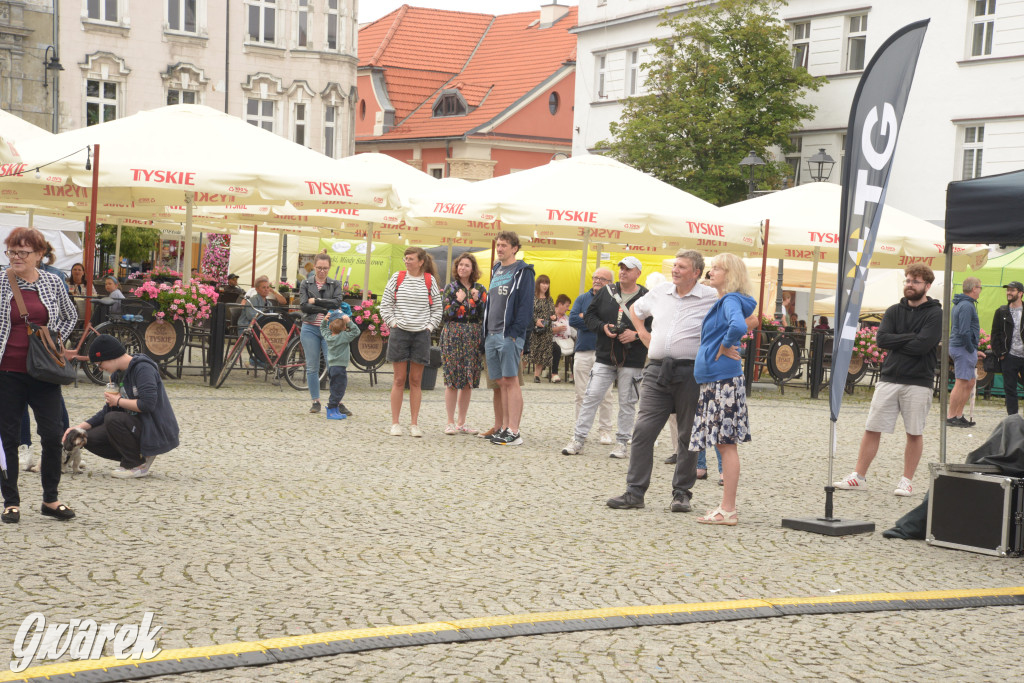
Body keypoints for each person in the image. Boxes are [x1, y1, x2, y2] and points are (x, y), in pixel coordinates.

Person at [606, 249, 719, 513]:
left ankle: (682, 493)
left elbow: (746, 315)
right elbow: (636, 309)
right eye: (675, 265)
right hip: (657, 370)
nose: (675, 270)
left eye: (682, 267)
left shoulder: (711, 297)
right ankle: (634, 492)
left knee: (687, 434)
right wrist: (643, 333)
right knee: (644, 430)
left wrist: (722, 345)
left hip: (691, 372)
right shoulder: (660, 291)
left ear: (696, 273)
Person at [834, 264, 942, 497]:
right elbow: (882, 339)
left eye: (915, 281)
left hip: (918, 380)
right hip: (889, 377)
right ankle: (858, 476)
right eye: (907, 280)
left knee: (914, 432)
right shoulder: (893, 311)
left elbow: (924, 345)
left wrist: (901, 340)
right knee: (872, 427)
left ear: (927, 285)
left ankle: (906, 481)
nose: (910, 284)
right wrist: (911, 337)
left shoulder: (935, 313)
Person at [0, 227, 78, 523]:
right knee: (8, 436)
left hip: (44, 371)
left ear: (40, 255)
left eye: (23, 252)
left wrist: (55, 341)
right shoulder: (1, 281)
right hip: (7, 370)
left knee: (52, 433)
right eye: (12, 251)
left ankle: (50, 499)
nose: (16, 257)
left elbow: (70, 315)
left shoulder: (52, 281)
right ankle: (11, 501)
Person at [688, 253, 757, 525]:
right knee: (723, 442)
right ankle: (726, 507)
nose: (711, 271)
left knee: (726, 445)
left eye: (718, 268)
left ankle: (728, 509)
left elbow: (739, 325)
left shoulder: (729, 299)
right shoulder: (727, 299)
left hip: (722, 380)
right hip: (718, 378)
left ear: (731, 274)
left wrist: (726, 344)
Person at [562, 256, 650, 459]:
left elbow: (655, 326)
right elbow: (590, 316)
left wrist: (636, 335)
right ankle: (578, 438)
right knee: (591, 396)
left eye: (628, 269)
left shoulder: (646, 296)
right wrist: (603, 327)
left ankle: (621, 443)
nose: (622, 272)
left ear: (638, 272)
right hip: (604, 354)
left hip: (633, 357)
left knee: (627, 401)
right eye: (621, 268)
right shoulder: (606, 292)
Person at [71, 334, 179, 478]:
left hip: (154, 427)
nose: (100, 368)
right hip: (135, 425)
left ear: (110, 356)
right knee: (88, 438)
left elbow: (147, 404)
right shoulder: (117, 374)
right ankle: (134, 455)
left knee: (113, 419)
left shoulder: (143, 369)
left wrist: (118, 401)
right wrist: (79, 428)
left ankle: (136, 463)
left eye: (99, 364)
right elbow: (108, 410)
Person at [380, 246, 443, 437]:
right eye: (405, 258)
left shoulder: (429, 280)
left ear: (421, 261)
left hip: (421, 334)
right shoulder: (397, 278)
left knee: (416, 380)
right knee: (399, 380)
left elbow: (437, 308)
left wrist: (430, 327)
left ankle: (414, 423)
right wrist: (393, 323)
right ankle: (395, 423)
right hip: (400, 333)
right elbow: (385, 304)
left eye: (411, 259)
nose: (407, 261)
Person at [481, 231, 535, 446]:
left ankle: (514, 430)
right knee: (501, 382)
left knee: (512, 381)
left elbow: (525, 306)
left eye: (504, 245)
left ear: (515, 248)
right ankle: (503, 427)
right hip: (491, 334)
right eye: (498, 245)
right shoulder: (496, 269)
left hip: (509, 335)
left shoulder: (523, 271)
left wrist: (514, 334)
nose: (500, 248)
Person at [440, 253, 487, 435]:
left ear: (473, 269)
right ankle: (450, 422)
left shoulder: (480, 289)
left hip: (473, 336)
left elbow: (484, 314)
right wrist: (458, 301)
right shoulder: (450, 288)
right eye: (460, 265)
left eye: (467, 265)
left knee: (468, 380)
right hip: (453, 334)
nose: (463, 268)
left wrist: (476, 300)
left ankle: (461, 422)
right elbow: (446, 314)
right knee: (452, 379)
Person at [568, 269, 615, 445]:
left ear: (610, 282)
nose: (597, 281)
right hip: (583, 350)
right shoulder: (582, 298)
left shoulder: (613, 300)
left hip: (604, 353)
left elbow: (613, 324)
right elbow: (573, 320)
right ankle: (580, 431)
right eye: (595, 277)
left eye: (602, 279)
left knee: (606, 394)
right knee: (580, 394)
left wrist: (587, 318)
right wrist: (599, 324)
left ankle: (605, 430)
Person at [298, 254, 344, 413]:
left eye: (325, 268)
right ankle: (315, 401)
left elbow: (337, 302)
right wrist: (325, 308)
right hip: (310, 327)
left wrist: (316, 301)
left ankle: (336, 401)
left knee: (333, 365)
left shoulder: (335, 284)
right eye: (319, 268)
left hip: (330, 329)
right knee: (312, 366)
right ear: (314, 267)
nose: (322, 271)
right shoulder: (305, 283)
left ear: (329, 268)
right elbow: (304, 306)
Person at [947, 277, 984, 427]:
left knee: (969, 382)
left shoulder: (962, 304)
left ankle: (958, 414)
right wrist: (971, 348)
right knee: (962, 382)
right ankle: (951, 416)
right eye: (980, 287)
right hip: (962, 347)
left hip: (963, 347)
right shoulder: (966, 306)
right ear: (974, 288)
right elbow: (964, 331)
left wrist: (974, 349)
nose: (980, 290)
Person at [238, 274, 288, 368]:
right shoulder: (252, 300)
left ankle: (273, 359)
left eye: (268, 287)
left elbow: (270, 317)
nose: (266, 289)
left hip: (261, 328)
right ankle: (255, 360)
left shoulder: (268, 302)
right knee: (262, 334)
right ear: (256, 289)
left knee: (278, 333)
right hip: (246, 327)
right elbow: (251, 316)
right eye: (263, 287)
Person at [319, 309, 361, 420]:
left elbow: (322, 329)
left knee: (334, 388)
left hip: (332, 367)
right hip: (340, 368)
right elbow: (356, 331)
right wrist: (349, 321)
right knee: (339, 389)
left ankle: (335, 409)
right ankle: (331, 410)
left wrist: (324, 320)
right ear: (344, 327)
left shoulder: (329, 337)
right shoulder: (344, 336)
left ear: (330, 327)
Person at [991, 281, 1024, 415]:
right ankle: (1013, 419)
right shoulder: (1001, 311)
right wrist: (1001, 354)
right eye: (1008, 290)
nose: (1009, 293)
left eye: (1012, 290)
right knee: (1010, 390)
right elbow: (995, 334)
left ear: (1020, 293)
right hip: (1009, 356)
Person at [530, 275, 555, 383]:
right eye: (543, 283)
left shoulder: (550, 299)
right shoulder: (532, 297)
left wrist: (554, 317)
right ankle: (518, 374)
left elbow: (553, 313)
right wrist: (536, 320)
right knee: (529, 353)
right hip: (534, 329)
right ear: (538, 284)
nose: (545, 286)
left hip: (546, 330)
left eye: (547, 283)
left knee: (542, 353)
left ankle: (537, 375)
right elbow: (528, 312)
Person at [550, 294, 574, 383]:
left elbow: (571, 329)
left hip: (565, 340)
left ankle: (573, 374)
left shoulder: (567, 318)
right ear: (560, 304)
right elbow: (544, 329)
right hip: (552, 339)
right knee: (556, 349)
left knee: (578, 348)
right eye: (566, 306)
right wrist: (556, 330)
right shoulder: (550, 314)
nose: (567, 309)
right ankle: (554, 373)